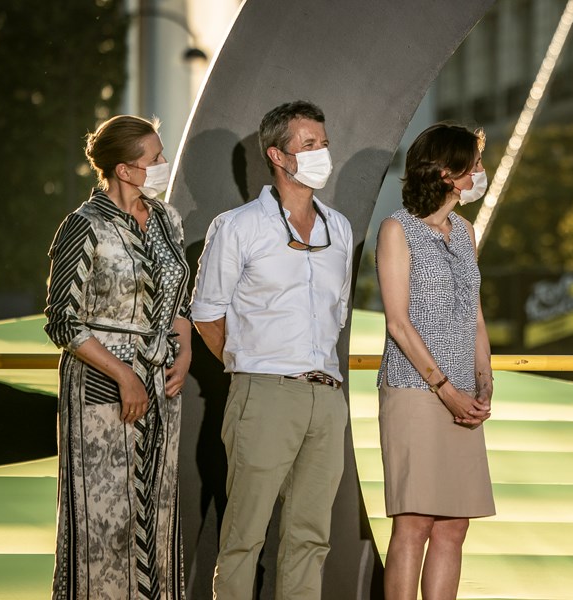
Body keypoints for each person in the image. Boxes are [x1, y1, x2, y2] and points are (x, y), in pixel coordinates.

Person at [190, 100, 353, 599]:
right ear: (277, 156)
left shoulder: (339, 228)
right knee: (244, 536)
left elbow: (337, 313)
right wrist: (250, 365)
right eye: (309, 145)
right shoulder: (238, 225)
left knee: (311, 537)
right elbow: (206, 313)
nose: (321, 153)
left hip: (326, 398)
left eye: (323, 144)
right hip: (263, 393)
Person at [45, 114, 191, 599]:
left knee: (157, 514)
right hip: (103, 386)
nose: (165, 163)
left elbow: (180, 297)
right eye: (155, 157)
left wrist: (184, 347)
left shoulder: (168, 219)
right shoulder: (82, 226)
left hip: (162, 383)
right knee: (103, 518)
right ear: (125, 170)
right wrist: (125, 374)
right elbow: (62, 321)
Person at [375, 123, 495, 600]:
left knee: (454, 525)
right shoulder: (396, 229)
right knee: (415, 523)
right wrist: (446, 389)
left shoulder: (465, 232)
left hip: (463, 395)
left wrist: (484, 383)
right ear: (449, 172)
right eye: (476, 164)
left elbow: (475, 316)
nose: (481, 172)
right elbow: (398, 323)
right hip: (415, 392)